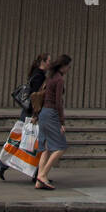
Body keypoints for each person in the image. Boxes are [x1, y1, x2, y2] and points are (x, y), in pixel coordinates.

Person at [0, 52, 50, 181]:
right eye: (48, 61)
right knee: (31, 142)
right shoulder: (39, 76)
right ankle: (34, 172)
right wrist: (36, 114)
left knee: (27, 141)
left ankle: (35, 172)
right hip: (32, 114)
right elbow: (35, 97)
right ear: (43, 61)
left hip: (29, 113)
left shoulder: (36, 74)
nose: (49, 63)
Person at [35, 53, 72, 190]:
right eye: (68, 66)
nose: (69, 69)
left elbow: (42, 96)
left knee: (45, 148)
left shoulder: (49, 77)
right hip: (51, 114)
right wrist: (62, 122)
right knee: (61, 146)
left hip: (43, 113)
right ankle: (43, 175)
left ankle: (39, 180)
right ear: (63, 66)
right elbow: (58, 103)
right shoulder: (59, 80)